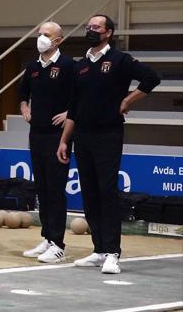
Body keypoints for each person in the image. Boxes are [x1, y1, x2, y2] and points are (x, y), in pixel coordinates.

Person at [56, 14, 160, 274]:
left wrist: (127, 101)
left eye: (96, 27)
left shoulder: (120, 60)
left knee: (106, 191)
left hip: (108, 135)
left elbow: (151, 79)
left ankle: (113, 251)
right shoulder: (81, 65)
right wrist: (64, 140)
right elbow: (74, 107)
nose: (91, 30)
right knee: (89, 192)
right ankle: (99, 249)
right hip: (83, 135)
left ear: (109, 33)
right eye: (88, 26)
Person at [19, 22, 75, 263]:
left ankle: (58, 243)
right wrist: (25, 108)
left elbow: (80, 96)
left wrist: (69, 113)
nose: (41, 38)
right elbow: (23, 93)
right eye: (39, 34)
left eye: (47, 35)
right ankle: (47, 237)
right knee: (42, 188)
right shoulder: (32, 67)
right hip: (37, 134)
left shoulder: (68, 65)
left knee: (55, 189)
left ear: (58, 40)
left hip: (57, 136)